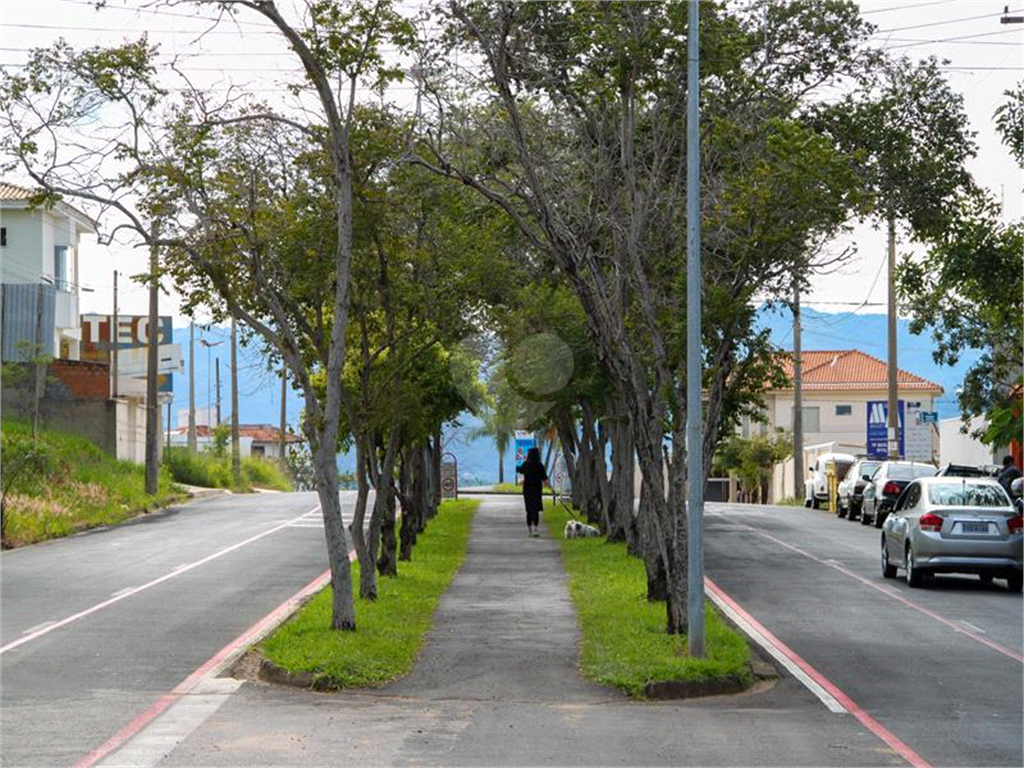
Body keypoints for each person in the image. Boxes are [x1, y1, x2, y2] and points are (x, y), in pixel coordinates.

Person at [516, 446, 548, 537]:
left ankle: (529, 530)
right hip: (537, 489)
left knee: (529, 509)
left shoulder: (526, 464)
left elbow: (520, 470)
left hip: (527, 489)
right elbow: (544, 478)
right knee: (536, 509)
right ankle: (536, 529)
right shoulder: (539, 465)